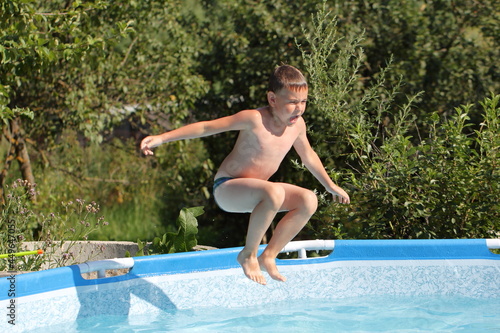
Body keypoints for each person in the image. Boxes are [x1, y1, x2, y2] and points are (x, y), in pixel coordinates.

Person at [141, 65, 350, 285]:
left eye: (303, 102)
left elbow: (308, 155)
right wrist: (162, 138)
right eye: (291, 102)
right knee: (274, 191)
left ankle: (268, 255)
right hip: (228, 188)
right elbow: (206, 128)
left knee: (309, 200)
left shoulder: (298, 126)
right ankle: (248, 255)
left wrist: (329, 185)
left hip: (260, 194)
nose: (298, 109)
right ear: (272, 99)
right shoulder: (254, 119)